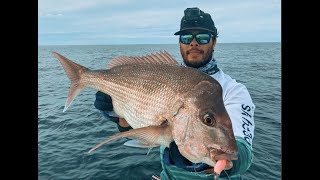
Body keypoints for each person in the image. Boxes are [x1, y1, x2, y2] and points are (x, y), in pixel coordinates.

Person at [94, 7, 255, 180]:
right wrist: (118, 116)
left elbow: (242, 154)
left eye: (202, 37)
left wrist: (204, 163)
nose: (193, 43)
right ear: (180, 43)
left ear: (214, 42)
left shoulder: (234, 90)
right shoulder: (165, 75)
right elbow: (135, 126)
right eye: (186, 38)